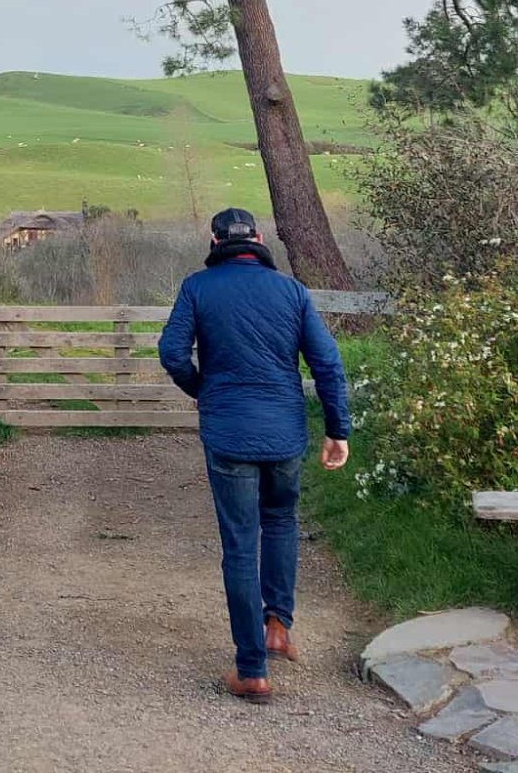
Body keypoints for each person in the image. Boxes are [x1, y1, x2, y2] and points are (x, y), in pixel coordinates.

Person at [157, 208, 351, 704]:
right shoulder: (291, 291)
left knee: (241, 546)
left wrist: (204, 389)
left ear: (216, 239)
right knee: (282, 523)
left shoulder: (198, 287)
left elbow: (172, 353)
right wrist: (337, 430)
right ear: (261, 240)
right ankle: (278, 627)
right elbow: (327, 363)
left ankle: (252, 670)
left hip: (229, 434)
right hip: (284, 431)